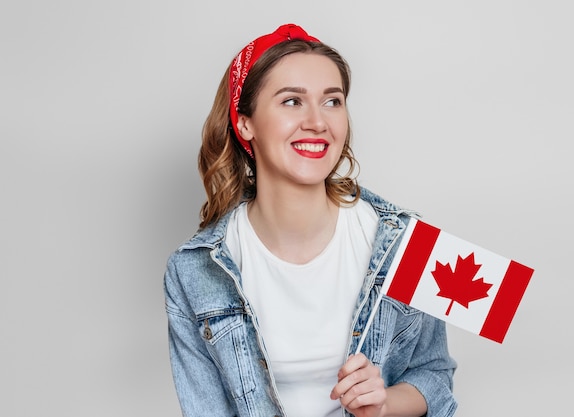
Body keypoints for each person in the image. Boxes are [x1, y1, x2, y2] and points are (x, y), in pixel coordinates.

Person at [164, 23, 457, 417]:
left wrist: (384, 403)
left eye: (332, 101)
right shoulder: (194, 271)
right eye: (292, 101)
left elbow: (436, 378)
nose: (318, 122)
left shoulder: (407, 241)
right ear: (244, 122)